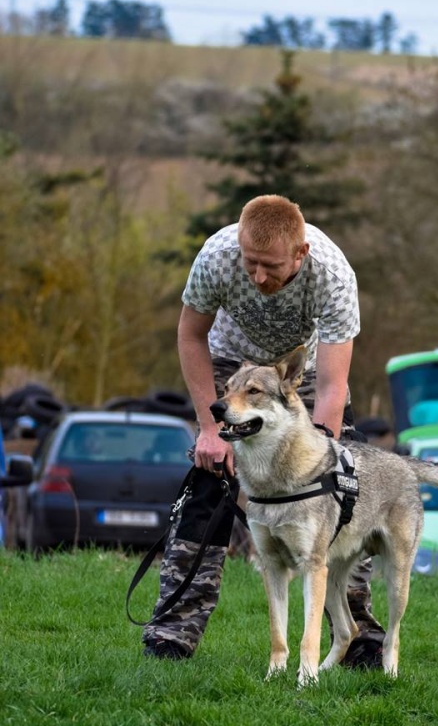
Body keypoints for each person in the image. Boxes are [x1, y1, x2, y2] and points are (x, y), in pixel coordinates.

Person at [142, 194, 385, 667]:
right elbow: (191, 336)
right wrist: (210, 429)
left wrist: (316, 463)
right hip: (231, 370)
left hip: (299, 375)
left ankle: (359, 640)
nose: (257, 276)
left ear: (301, 254)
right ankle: (173, 632)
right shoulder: (216, 256)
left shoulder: (333, 275)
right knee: (206, 490)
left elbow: (334, 387)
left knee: (342, 497)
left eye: (270, 266)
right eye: (250, 262)